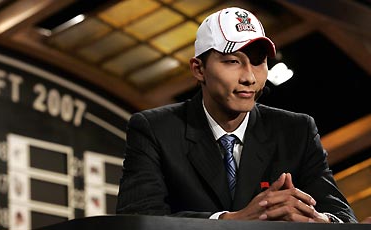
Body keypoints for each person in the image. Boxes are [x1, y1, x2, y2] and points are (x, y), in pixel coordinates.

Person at [116, 6, 357, 223]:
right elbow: (136, 219)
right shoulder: (155, 129)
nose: (249, 77)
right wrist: (231, 221)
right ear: (198, 69)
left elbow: (343, 216)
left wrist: (317, 220)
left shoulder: (297, 130)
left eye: (258, 62)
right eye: (232, 61)